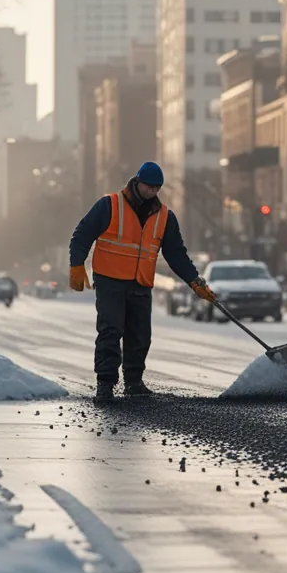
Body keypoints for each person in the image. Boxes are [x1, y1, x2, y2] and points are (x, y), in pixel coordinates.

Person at [68, 161, 216, 401]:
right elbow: (82, 234)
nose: (153, 192)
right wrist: (77, 264)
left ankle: (133, 382)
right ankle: (105, 384)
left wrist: (194, 281)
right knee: (110, 330)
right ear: (137, 182)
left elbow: (176, 254)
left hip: (140, 282)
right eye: (149, 187)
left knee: (140, 335)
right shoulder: (110, 205)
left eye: (157, 188)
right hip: (110, 281)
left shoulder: (165, 216)